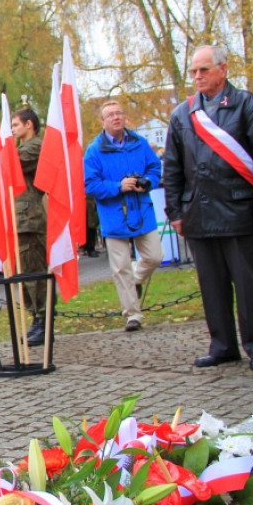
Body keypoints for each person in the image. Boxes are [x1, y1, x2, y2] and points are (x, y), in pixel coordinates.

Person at [163, 45, 253, 371]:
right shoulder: (182, 114)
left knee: (248, 287)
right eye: (194, 72)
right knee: (212, 288)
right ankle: (223, 345)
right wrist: (175, 212)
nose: (197, 77)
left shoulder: (249, 106)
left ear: (223, 69)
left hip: (239, 211)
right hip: (198, 214)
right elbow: (172, 168)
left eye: (204, 70)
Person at [84, 101, 163, 332]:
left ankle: (136, 280)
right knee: (120, 267)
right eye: (111, 115)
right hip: (113, 214)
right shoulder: (94, 150)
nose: (116, 118)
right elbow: (89, 184)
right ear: (103, 122)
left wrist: (148, 182)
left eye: (119, 113)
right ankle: (132, 314)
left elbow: (154, 168)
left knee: (155, 256)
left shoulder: (139, 143)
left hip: (141, 209)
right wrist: (118, 186)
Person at [12, 107, 49, 346]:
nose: (13, 129)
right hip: (21, 218)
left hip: (30, 218)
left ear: (29, 125)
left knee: (35, 273)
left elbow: (11, 164)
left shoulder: (35, 146)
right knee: (27, 273)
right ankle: (36, 317)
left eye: (15, 125)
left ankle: (44, 320)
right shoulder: (23, 147)